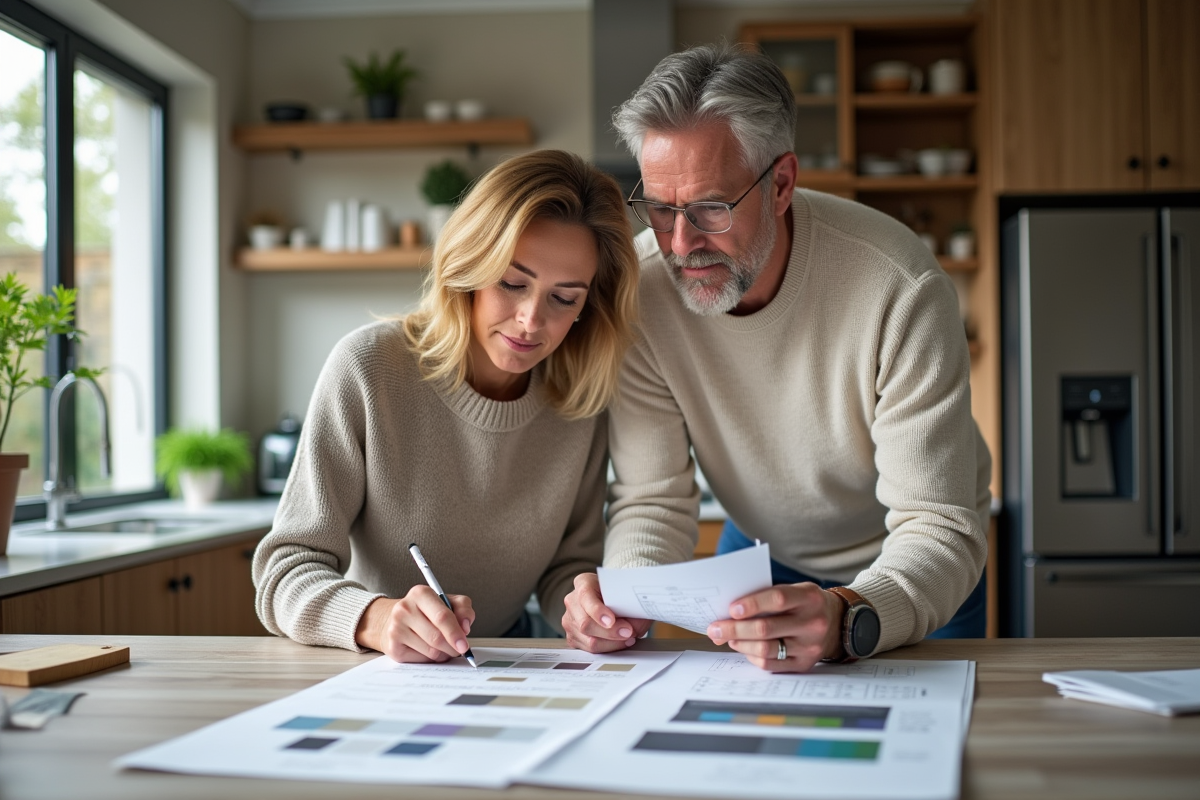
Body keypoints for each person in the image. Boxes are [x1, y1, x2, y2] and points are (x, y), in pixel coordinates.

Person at [562, 43, 991, 671]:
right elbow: (652, 499)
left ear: (782, 183)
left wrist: (850, 612)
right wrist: (624, 597)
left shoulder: (898, 287)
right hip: (760, 550)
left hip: (912, 563)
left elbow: (938, 524)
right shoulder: (641, 295)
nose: (681, 244)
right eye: (659, 207)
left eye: (711, 207)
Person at [254, 149, 639, 663]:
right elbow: (284, 571)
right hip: (371, 664)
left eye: (563, 298)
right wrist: (377, 618)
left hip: (501, 661)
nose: (530, 320)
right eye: (511, 282)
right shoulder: (368, 369)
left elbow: (566, 568)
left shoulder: (580, 400)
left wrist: (584, 609)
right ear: (471, 266)